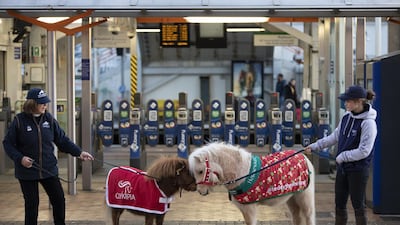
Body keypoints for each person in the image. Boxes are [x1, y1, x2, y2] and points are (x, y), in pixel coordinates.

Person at [3, 88, 94, 225]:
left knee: (59, 200)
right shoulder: (19, 121)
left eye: (46, 103)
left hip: (48, 169)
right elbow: (8, 144)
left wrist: (79, 152)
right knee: (32, 204)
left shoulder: (49, 119)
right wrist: (20, 159)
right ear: (32, 103)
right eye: (42, 103)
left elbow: (62, 140)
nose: (45, 105)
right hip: (27, 171)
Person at [305, 85, 377, 225]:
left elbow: (364, 151)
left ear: (359, 101)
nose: (345, 103)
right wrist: (314, 146)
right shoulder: (346, 117)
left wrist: (343, 156)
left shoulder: (368, 123)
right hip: (342, 169)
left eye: (348, 101)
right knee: (339, 203)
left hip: (358, 170)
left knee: (358, 205)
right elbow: (334, 137)